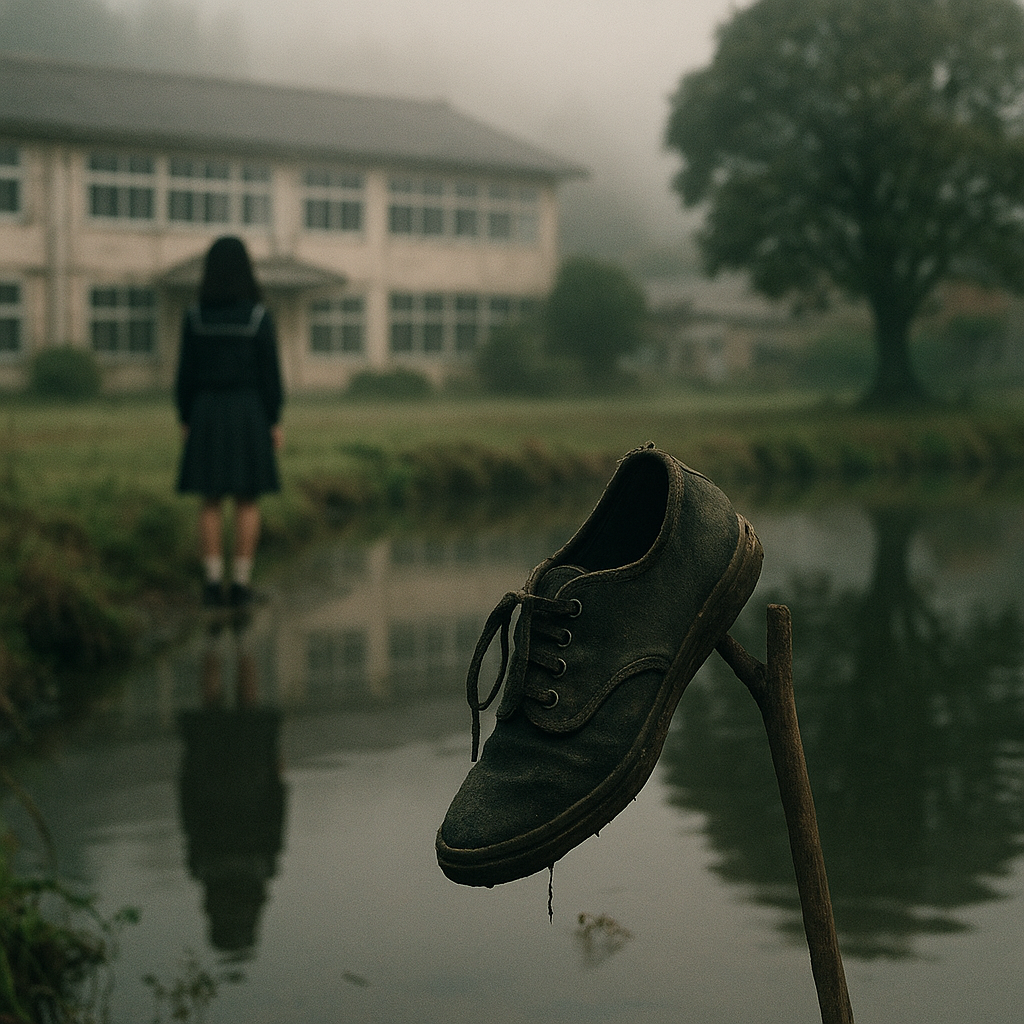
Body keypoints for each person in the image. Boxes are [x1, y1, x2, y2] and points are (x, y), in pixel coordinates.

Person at [175, 236, 284, 608]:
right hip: (248, 411)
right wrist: (274, 419)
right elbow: (271, 375)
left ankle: (210, 584)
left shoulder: (194, 317)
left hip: (205, 410)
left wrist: (185, 416)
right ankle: (239, 586)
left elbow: (184, 374)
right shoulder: (258, 317)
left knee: (209, 499)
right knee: (247, 500)